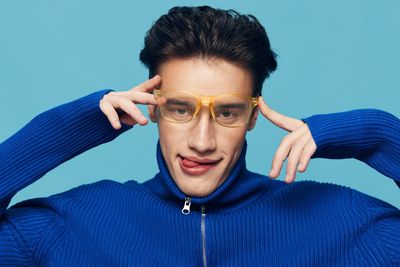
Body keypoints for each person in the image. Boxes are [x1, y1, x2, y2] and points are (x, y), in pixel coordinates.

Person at [0, 5, 399, 266]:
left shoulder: (341, 222)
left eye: (227, 111)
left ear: (253, 117)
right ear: (152, 107)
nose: (202, 141)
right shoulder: (73, 222)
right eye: (180, 109)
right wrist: (76, 125)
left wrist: (373, 133)